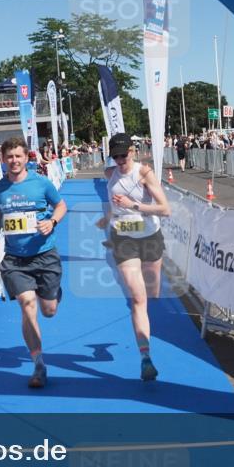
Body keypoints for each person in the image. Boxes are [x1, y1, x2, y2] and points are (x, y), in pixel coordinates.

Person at [0, 137, 67, 389]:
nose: (14, 161)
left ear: (26, 158)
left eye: (18, 156)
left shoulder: (41, 183)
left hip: (44, 255)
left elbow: (61, 205)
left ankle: (53, 293)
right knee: (26, 303)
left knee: (49, 311)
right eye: (9, 156)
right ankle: (39, 365)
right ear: (3, 159)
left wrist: (52, 222)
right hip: (15, 259)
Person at [96, 133, 171, 381]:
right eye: (115, 156)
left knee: (153, 295)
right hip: (124, 239)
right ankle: (145, 357)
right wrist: (109, 219)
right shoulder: (109, 174)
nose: (119, 160)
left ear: (132, 151)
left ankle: (148, 326)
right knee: (138, 298)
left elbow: (165, 209)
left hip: (150, 238)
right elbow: (114, 205)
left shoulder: (144, 173)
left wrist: (133, 205)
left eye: (123, 154)